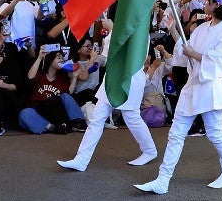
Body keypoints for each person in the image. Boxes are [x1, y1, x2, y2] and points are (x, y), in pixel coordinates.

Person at [136, 0, 222, 194]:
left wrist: (194, 54)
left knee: (215, 132)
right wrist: (173, 29)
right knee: (176, 133)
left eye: (207, 2)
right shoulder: (202, 28)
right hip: (193, 86)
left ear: (216, 5)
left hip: (210, 86)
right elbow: (185, 50)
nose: (204, 4)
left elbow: (221, 60)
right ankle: (163, 179)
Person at [57, 43, 160, 172]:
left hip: (130, 77)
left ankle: (149, 150)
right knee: (97, 119)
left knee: (131, 118)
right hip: (112, 76)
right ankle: (81, 159)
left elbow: (132, 52)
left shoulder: (140, 27)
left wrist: (112, 28)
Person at [19, 46, 86, 135]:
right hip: (40, 111)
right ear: (50, 60)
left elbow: (69, 95)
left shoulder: (62, 78)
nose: (61, 60)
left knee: (65, 96)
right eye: (58, 58)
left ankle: (78, 122)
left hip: (57, 112)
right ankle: (51, 127)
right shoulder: (40, 75)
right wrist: (39, 58)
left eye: (62, 58)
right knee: (25, 113)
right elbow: (30, 77)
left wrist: (74, 77)